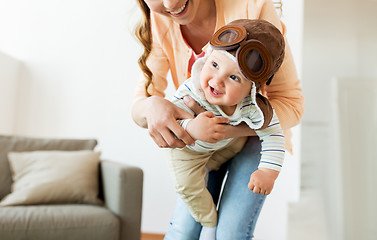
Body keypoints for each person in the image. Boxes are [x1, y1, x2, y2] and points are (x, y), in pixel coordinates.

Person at [132, 0, 304, 239]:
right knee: (184, 229)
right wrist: (151, 106)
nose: (170, 3)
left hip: (251, 131)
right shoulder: (159, 19)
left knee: (230, 233)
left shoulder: (252, 7)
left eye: (233, 76)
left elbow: (292, 104)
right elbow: (141, 103)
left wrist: (230, 129)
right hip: (200, 135)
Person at [167, 19, 286, 240]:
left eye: (233, 77)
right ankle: (209, 223)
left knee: (243, 141)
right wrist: (192, 126)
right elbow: (171, 120)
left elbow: (274, 135)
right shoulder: (192, 89)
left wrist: (268, 172)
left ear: (252, 89)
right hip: (188, 152)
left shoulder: (251, 106)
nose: (218, 80)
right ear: (207, 58)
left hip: (223, 148)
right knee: (188, 190)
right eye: (214, 65)